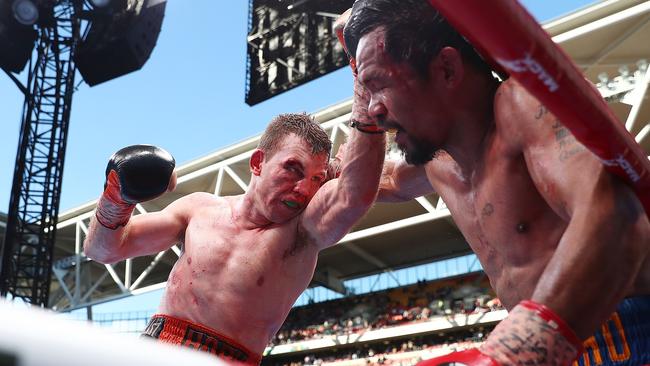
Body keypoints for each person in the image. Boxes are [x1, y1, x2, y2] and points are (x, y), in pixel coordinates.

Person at [340, 0, 650, 365]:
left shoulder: (522, 105)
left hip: (625, 331)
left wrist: (518, 347)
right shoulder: (434, 163)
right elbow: (370, 184)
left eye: (380, 85)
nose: (375, 110)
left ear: (446, 69)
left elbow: (618, 219)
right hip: (543, 340)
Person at [83, 112, 386, 364]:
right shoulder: (199, 209)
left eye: (316, 179)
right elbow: (102, 250)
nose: (304, 190)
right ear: (258, 163)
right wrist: (115, 199)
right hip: (155, 350)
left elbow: (355, 196)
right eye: (292, 170)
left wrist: (369, 102)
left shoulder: (303, 231)